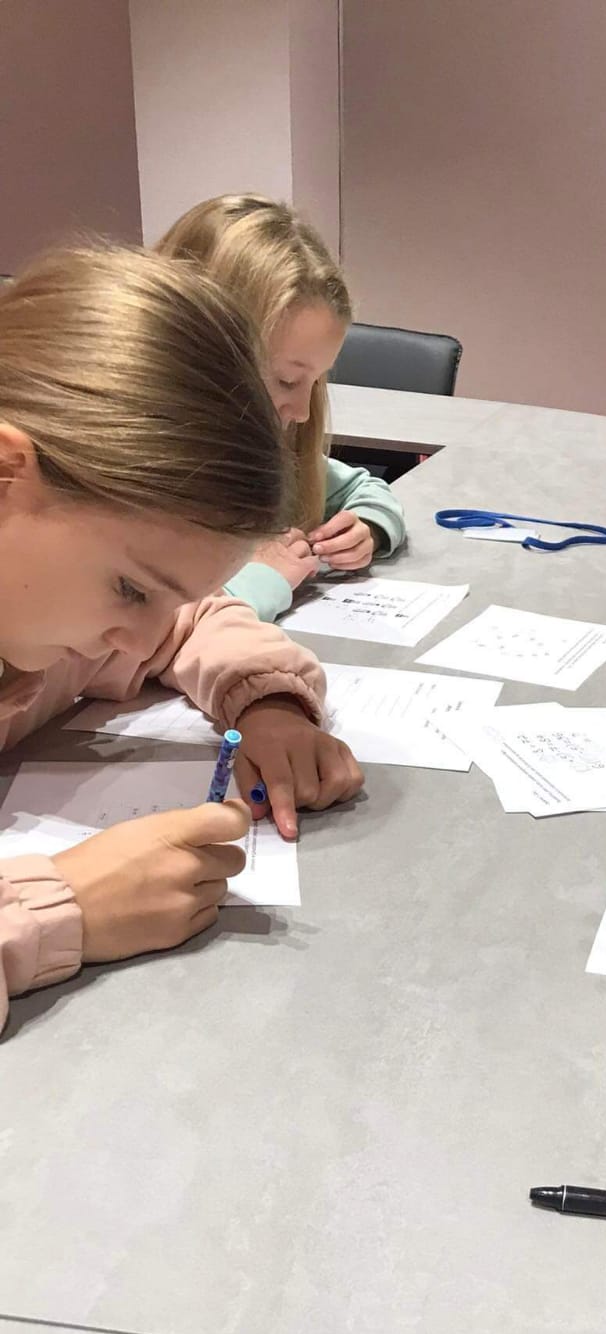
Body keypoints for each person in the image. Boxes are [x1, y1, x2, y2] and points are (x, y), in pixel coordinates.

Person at [0, 244, 362, 1030]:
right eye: (131, 588)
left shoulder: (44, 600)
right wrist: (63, 907)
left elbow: (188, 624)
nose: (138, 643)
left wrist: (265, 701)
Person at [157, 194, 407, 623]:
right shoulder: (127, 474)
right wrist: (259, 582)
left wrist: (368, 526)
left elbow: (359, 488)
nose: (304, 412)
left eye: (316, 381)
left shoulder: (254, 452)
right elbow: (137, 633)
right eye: (287, 380)